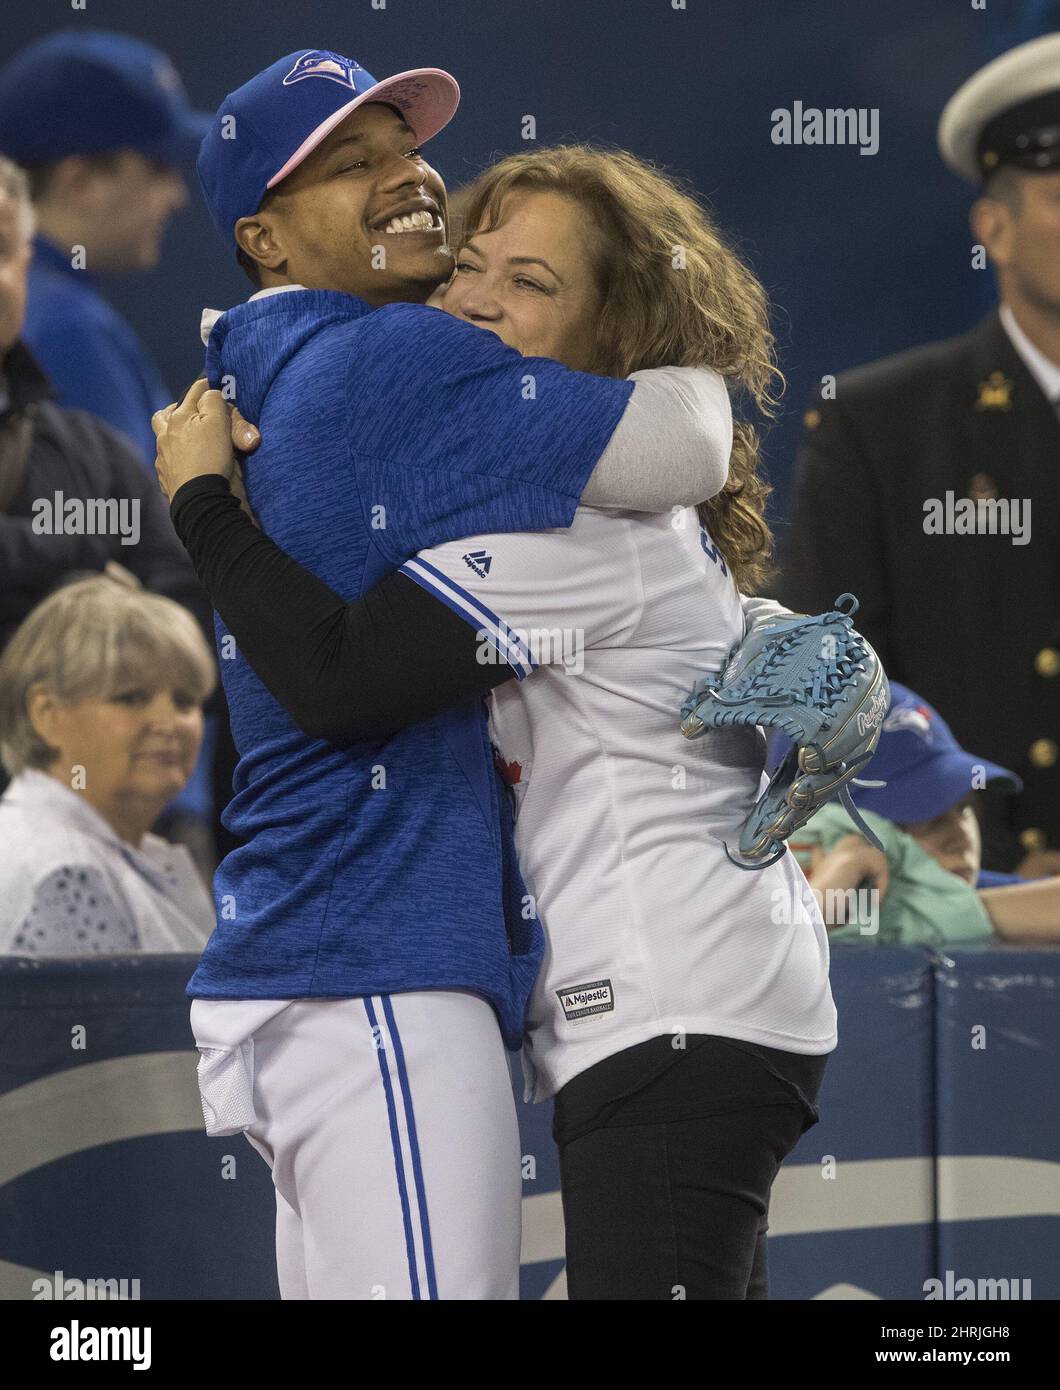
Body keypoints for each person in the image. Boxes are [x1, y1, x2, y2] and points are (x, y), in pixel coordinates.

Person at [155, 142, 839, 1301]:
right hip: (683, 1005)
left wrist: (203, 503)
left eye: (533, 283)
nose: (476, 298)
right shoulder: (579, 502)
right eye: (474, 264)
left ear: (610, 340)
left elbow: (338, 680)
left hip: (671, 1003)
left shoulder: (579, 536)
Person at [780, 32, 1060, 877]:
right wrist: (989, 865)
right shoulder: (880, 426)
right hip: (968, 908)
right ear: (995, 229)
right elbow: (832, 699)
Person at [0, 154, 213, 819]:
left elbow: (182, 608)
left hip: (119, 829)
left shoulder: (89, 451)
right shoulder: (80, 338)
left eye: (4, 251)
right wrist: (78, 566)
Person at [0, 29, 209, 467]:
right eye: (157, 167)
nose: (177, 196)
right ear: (80, 182)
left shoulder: (41, 301)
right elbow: (126, 528)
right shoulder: (63, 325)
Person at [0, 573, 215, 954]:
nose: (170, 724)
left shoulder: (104, 848)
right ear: (47, 714)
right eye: (131, 698)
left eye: (184, 700)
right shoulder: (64, 870)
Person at [794, 683, 1060, 945]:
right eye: (922, 815)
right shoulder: (771, 901)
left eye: (963, 807)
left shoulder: (954, 885)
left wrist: (939, 914)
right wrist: (816, 909)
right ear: (828, 829)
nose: (960, 838)